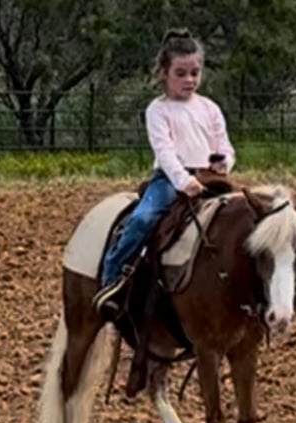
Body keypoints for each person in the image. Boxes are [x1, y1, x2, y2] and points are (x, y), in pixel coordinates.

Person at [93, 28, 236, 314]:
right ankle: (110, 280)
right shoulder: (158, 110)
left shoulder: (210, 108)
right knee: (143, 218)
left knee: (243, 218)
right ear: (164, 73)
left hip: (210, 177)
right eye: (181, 73)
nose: (190, 80)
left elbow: (226, 146)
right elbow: (165, 153)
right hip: (171, 180)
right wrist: (184, 182)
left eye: (195, 72)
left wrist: (225, 163)